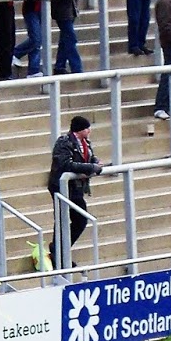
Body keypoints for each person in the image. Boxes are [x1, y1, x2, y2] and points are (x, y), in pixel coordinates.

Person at [46, 115, 103, 270]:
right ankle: (58, 254)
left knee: (80, 220)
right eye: (86, 128)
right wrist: (90, 168)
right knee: (63, 220)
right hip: (62, 188)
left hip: (76, 188)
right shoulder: (64, 142)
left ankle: (60, 251)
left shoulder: (85, 143)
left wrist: (95, 163)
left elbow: (89, 157)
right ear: (80, 129)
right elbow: (65, 164)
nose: (89, 130)